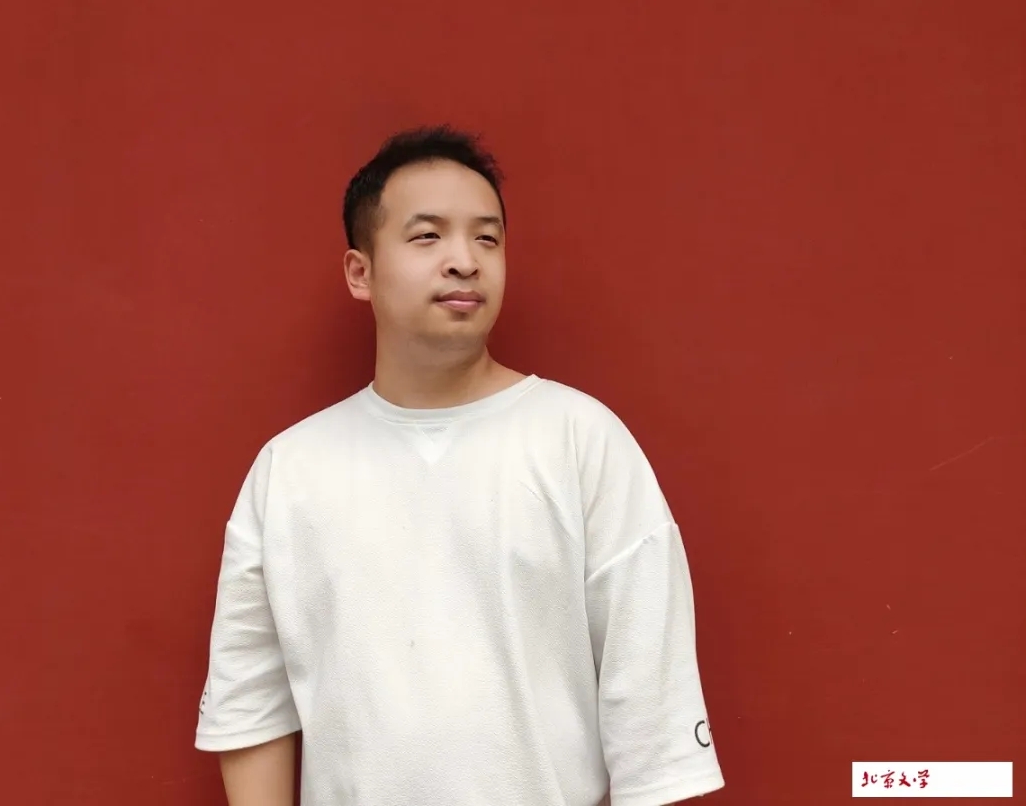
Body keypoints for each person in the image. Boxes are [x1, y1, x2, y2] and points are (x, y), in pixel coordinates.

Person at [194, 125, 725, 806]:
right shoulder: (289, 470)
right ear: (360, 271)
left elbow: (652, 715)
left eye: (487, 238)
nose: (465, 261)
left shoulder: (580, 439)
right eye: (427, 236)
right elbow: (250, 708)